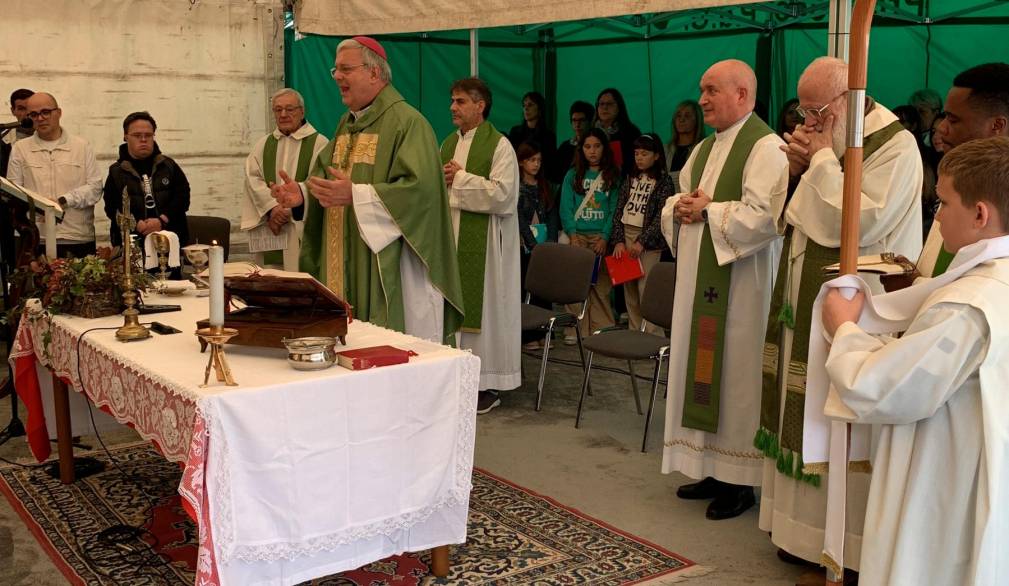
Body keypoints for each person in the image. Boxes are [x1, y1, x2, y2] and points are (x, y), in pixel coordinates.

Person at [820, 136, 1009, 586]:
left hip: (947, 475)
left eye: (943, 203)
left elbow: (890, 389)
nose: (937, 215)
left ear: (979, 214)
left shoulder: (969, 305)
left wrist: (845, 329)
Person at [758, 56, 923, 574]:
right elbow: (789, 212)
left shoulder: (895, 146)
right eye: (802, 111)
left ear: (850, 96)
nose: (808, 122)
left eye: (816, 111)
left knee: (837, 412)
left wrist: (823, 161)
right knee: (798, 398)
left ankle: (842, 545)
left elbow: (857, 221)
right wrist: (796, 170)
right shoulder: (830, 136)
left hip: (859, 301)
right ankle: (796, 528)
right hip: (803, 291)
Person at [659, 59, 788, 521]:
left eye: (712, 90)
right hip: (702, 285)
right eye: (702, 89)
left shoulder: (766, 148)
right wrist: (682, 207)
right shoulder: (705, 148)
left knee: (736, 376)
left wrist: (709, 211)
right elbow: (678, 197)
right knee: (707, 370)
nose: (703, 99)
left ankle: (741, 481)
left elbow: (767, 219)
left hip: (742, 291)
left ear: (743, 95)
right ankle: (711, 466)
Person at [273, 37, 464, 344]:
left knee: (387, 348)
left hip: (391, 265)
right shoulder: (346, 125)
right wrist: (302, 197)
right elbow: (328, 182)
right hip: (345, 259)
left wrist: (357, 195)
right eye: (335, 69)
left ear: (374, 73)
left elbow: (422, 194)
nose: (336, 76)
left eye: (345, 69)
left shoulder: (408, 124)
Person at [440, 77, 521, 414]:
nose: (452, 108)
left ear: (480, 105)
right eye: (453, 101)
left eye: (460, 101)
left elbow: (503, 195)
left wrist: (460, 179)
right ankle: (455, 377)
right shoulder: (446, 144)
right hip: (451, 240)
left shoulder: (500, 146)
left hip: (487, 247)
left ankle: (487, 384)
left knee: (486, 312)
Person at [915, 62, 1009, 278]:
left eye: (953, 119)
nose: (941, 128)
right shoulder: (961, 178)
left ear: (996, 126)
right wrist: (917, 281)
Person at [6, 92, 102, 259]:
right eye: (34, 114)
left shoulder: (81, 146)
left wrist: (63, 201)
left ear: (59, 112)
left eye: (46, 112)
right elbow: (14, 192)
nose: (41, 118)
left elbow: (95, 189)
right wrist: (39, 208)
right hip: (35, 240)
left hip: (76, 237)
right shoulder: (20, 149)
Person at [242, 88, 328, 271]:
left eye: (290, 109)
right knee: (269, 282)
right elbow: (252, 178)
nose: (283, 114)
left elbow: (320, 182)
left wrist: (289, 211)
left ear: (302, 111)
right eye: (278, 109)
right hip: (270, 226)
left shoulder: (320, 143)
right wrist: (273, 209)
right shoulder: (264, 144)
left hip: (299, 227)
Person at [102, 111, 192, 277]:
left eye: (148, 135)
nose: (143, 140)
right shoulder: (116, 172)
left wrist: (162, 220)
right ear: (125, 137)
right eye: (137, 135)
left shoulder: (168, 166)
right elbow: (111, 207)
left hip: (169, 245)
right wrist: (135, 224)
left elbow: (183, 198)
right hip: (132, 246)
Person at [559, 127, 620, 343]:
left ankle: (600, 328)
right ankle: (575, 329)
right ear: (581, 149)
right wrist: (573, 235)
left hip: (600, 237)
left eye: (597, 146)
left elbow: (615, 209)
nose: (592, 151)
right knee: (575, 284)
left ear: (604, 148)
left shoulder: (612, 176)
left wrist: (605, 237)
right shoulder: (572, 174)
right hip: (578, 235)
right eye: (587, 147)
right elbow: (565, 207)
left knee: (601, 286)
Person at [609, 133, 673, 335]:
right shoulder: (630, 177)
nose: (639, 158)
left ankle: (653, 334)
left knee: (646, 288)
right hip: (626, 234)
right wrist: (618, 240)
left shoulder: (664, 181)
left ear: (656, 156)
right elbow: (619, 210)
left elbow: (661, 216)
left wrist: (642, 242)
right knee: (629, 287)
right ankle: (635, 330)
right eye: (636, 153)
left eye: (644, 153)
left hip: (649, 242)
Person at [508, 91, 556, 181]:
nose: (526, 108)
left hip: (540, 181)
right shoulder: (515, 132)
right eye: (524, 105)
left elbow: (549, 166)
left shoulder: (548, 136)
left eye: (530, 105)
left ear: (539, 109)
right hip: (518, 179)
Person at [594, 88, 641, 174]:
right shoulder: (590, 133)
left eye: (609, 104)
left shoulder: (631, 132)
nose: (605, 107)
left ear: (619, 107)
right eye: (601, 104)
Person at [664, 99, 705, 192]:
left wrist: (669, 178)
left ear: (697, 120)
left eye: (687, 116)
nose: (681, 119)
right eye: (678, 116)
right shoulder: (665, 149)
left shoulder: (703, 148)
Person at [552, 100, 594, 185]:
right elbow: (555, 175)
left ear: (590, 122)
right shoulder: (565, 146)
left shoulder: (597, 146)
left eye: (581, 120)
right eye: (574, 120)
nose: (577, 124)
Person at [1, 88, 33, 177]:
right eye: (21, 109)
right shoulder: (3, 138)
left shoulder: (48, 138)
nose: (27, 113)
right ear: (13, 111)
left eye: (30, 109)